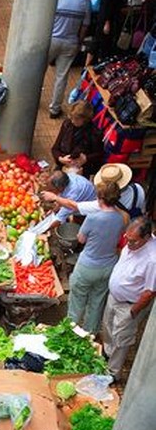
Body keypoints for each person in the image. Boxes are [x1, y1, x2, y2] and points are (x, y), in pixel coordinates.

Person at [67, 180, 126, 334]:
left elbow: (81, 239)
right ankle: (90, 334)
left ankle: (70, 331)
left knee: (77, 300)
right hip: (108, 266)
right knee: (97, 302)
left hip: (88, 266)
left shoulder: (93, 217)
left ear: (100, 198)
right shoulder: (121, 218)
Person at [102, 217, 156, 379]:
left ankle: (113, 373)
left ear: (146, 238)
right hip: (114, 297)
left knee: (121, 338)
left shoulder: (152, 259)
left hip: (129, 305)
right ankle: (107, 355)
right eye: (127, 238)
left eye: (133, 241)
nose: (128, 243)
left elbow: (150, 291)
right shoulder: (131, 243)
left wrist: (133, 311)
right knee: (108, 328)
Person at [48, 0, 91, 119]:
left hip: (51, 39)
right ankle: (54, 109)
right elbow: (84, 26)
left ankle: (28, 101)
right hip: (70, 43)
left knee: (38, 71)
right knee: (61, 76)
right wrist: (78, 43)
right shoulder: (85, 1)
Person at [50, 100, 104, 178]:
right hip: (64, 167)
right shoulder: (67, 125)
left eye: (77, 119)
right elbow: (55, 148)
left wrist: (86, 158)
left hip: (81, 171)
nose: (73, 121)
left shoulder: (95, 133)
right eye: (72, 118)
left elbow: (99, 155)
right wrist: (60, 158)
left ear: (85, 119)